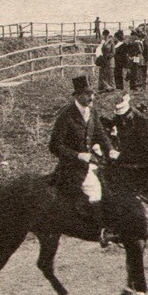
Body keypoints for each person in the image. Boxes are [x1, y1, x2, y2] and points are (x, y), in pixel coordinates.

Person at [48, 75, 115, 238]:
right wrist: (78, 155)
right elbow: (54, 146)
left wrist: (111, 149)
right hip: (71, 166)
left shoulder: (92, 112)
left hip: (92, 162)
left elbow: (100, 134)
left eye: (92, 93)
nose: (91, 97)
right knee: (94, 189)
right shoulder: (66, 115)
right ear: (77, 96)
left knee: (112, 182)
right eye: (87, 94)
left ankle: (112, 222)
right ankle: (98, 231)